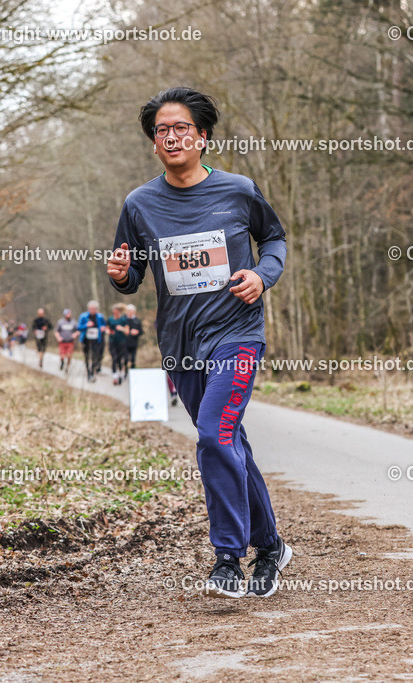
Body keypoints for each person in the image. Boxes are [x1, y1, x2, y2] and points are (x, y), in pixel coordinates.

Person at [106, 86, 291, 599]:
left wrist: (261, 275)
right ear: (153, 142)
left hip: (236, 334)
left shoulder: (238, 190)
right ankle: (272, 546)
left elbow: (273, 238)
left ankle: (228, 557)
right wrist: (122, 274)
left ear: (202, 137)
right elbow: (133, 273)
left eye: (182, 128)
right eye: (162, 130)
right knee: (230, 441)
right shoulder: (139, 204)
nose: (172, 136)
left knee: (213, 433)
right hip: (181, 344)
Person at [76, 300, 108, 382]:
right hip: (86, 340)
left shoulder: (100, 316)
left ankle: (92, 371)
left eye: (94, 309)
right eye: (91, 309)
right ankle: (88, 372)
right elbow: (78, 327)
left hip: (96, 340)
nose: (93, 310)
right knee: (87, 356)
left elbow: (104, 325)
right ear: (88, 308)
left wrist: (103, 329)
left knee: (95, 356)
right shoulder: (83, 316)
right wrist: (86, 325)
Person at [108, 303, 129, 385]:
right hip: (112, 342)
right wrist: (109, 332)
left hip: (121, 342)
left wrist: (121, 328)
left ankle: (120, 374)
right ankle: (114, 377)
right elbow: (107, 329)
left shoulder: (123, 320)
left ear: (119, 312)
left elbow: (127, 332)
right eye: (114, 311)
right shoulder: (110, 319)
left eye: (117, 311)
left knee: (120, 359)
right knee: (114, 358)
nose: (115, 313)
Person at [54, 308, 78, 373]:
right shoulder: (60, 322)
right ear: (64, 314)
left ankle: (67, 367)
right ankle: (62, 362)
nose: (68, 315)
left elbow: (78, 330)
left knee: (69, 355)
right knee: (62, 356)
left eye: (69, 313)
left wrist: (75, 334)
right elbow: (56, 331)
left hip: (70, 342)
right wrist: (58, 337)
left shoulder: (73, 322)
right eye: (67, 314)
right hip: (62, 342)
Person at [122, 304, 142, 378]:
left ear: (134, 312)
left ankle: (133, 373)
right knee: (126, 358)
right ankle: (125, 373)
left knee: (133, 359)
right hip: (125, 342)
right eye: (129, 311)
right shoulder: (123, 320)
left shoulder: (137, 321)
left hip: (134, 342)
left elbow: (141, 331)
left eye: (131, 311)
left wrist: (137, 332)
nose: (130, 312)